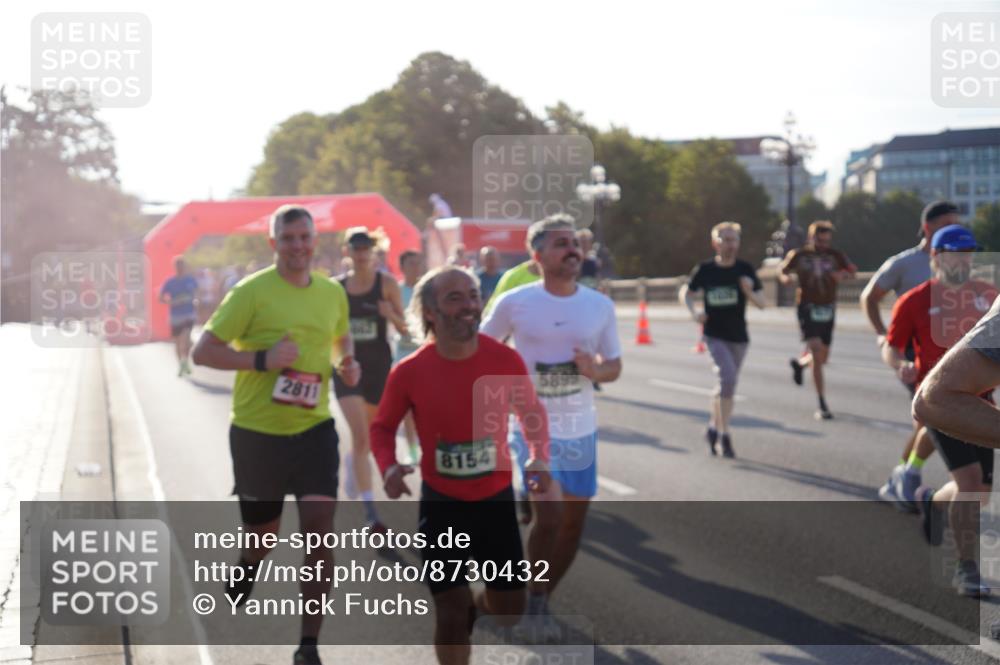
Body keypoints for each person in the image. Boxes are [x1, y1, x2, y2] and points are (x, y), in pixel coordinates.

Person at [191, 205, 360, 665]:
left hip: (314, 430)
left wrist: (346, 361)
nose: (298, 246)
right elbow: (202, 352)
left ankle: (308, 645)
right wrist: (263, 359)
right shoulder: (250, 293)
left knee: (320, 537)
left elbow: (341, 338)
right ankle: (248, 565)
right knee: (263, 536)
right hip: (257, 433)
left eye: (305, 237)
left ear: (314, 241)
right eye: (288, 238)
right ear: (274, 244)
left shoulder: (331, 292)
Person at [371, 266, 551, 665]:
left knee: (509, 610)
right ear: (431, 312)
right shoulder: (410, 371)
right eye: (455, 298)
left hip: (494, 501)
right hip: (442, 504)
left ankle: (480, 606)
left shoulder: (504, 359)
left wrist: (538, 457)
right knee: (450, 610)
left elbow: (531, 414)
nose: (470, 305)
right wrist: (388, 467)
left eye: (473, 295)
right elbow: (382, 427)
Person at [481, 216, 622, 640]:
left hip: (580, 429)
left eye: (575, 243)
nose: (573, 250)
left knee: (572, 526)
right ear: (537, 255)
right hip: (529, 428)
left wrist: (595, 368)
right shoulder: (516, 302)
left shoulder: (599, 305)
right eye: (561, 244)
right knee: (551, 515)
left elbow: (614, 367)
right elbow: (482, 350)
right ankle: (525, 605)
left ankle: (540, 599)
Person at [881, 225, 997, 597]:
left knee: (980, 493)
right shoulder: (915, 300)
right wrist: (899, 363)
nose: (963, 259)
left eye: (969, 252)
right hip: (944, 405)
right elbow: (892, 344)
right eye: (954, 252)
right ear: (935, 255)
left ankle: (932, 502)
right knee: (969, 482)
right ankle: (966, 570)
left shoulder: (987, 294)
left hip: (984, 404)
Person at [862, 201, 959, 510]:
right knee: (935, 415)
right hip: (915, 355)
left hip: (950, 354)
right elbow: (869, 297)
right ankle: (906, 476)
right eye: (946, 224)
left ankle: (902, 476)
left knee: (929, 420)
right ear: (927, 227)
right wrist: (881, 334)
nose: (953, 231)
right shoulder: (904, 263)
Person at [334, 227, 408, 533]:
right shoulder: (335, 288)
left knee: (364, 438)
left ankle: (354, 459)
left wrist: (389, 313)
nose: (361, 254)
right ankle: (371, 513)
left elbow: (406, 331)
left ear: (374, 251)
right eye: (356, 248)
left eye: (366, 248)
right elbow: (329, 331)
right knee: (361, 432)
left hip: (378, 367)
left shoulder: (386, 283)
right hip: (347, 368)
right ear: (347, 252)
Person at [679, 222, 766, 458]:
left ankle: (712, 427)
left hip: (739, 337)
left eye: (734, 239)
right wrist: (694, 312)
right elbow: (686, 293)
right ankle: (724, 435)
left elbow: (762, 303)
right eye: (725, 239)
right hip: (714, 334)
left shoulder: (745, 269)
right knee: (727, 379)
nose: (730, 244)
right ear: (715, 243)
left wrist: (748, 291)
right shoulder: (706, 269)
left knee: (725, 386)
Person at [780, 221, 857, 419]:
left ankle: (800, 365)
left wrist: (842, 275)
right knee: (815, 349)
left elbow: (852, 272)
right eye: (819, 239)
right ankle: (822, 403)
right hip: (807, 307)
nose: (823, 244)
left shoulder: (836, 255)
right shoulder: (799, 255)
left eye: (826, 240)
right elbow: (783, 270)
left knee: (822, 357)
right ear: (810, 237)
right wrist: (786, 279)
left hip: (828, 307)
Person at [914, 295, 1000, 446]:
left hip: (976, 394)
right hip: (959, 386)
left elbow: (933, 400)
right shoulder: (919, 296)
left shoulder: (979, 290)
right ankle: (910, 468)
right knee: (970, 470)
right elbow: (933, 400)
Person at [395, 249, 426, 463]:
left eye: (418, 263)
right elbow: (398, 326)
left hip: (426, 356)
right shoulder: (395, 291)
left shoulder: (428, 290)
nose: (416, 268)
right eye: (411, 264)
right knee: (407, 408)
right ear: (402, 267)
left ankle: (428, 446)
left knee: (426, 405)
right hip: (403, 356)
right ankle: (413, 450)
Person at [158, 256, 199, 376]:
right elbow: (160, 298)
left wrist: (196, 300)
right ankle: (181, 364)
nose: (180, 268)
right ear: (175, 267)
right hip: (175, 316)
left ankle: (185, 361)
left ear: (185, 267)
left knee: (185, 340)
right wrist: (171, 302)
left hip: (188, 313)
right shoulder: (170, 282)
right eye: (178, 266)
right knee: (177, 342)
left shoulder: (190, 280)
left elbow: (197, 293)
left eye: (182, 266)